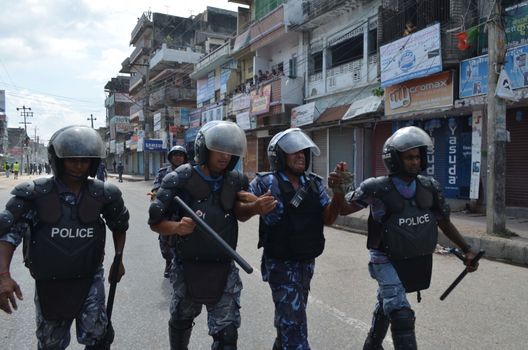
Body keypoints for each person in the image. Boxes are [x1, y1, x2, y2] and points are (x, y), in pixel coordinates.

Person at [339, 126, 478, 349]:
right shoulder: (375, 188)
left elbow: (443, 222)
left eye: (418, 157)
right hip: (383, 258)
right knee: (401, 313)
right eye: (409, 158)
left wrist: (466, 249)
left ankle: (372, 344)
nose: (415, 162)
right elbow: (344, 209)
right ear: (394, 159)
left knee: (388, 302)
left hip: (414, 257)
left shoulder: (429, 187)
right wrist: (337, 190)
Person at [0, 125, 130, 349]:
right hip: (50, 283)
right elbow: (8, 234)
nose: (79, 166)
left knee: (98, 337)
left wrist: (118, 260)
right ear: (58, 160)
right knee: (51, 343)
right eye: (72, 160)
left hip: (90, 278)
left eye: (84, 160)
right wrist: (3, 275)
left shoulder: (103, 194)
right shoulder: (34, 195)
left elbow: (119, 224)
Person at [238, 128, 348, 350]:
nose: (301, 156)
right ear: (278, 156)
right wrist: (255, 205)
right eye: (294, 152)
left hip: (306, 262)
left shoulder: (314, 184)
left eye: (304, 152)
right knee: (294, 323)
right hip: (280, 263)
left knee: (291, 318)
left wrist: (338, 192)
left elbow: (328, 218)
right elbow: (240, 205)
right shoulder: (265, 182)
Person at [148, 120, 253, 350]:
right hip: (188, 266)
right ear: (204, 148)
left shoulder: (236, 180)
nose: (225, 156)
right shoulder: (179, 179)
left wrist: (256, 206)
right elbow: (155, 222)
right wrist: (176, 228)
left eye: (229, 151)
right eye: (219, 149)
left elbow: (241, 213)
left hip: (224, 267)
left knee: (227, 336)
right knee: (181, 321)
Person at [148, 145, 189, 279]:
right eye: (175, 155)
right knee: (165, 241)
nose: (178, 157)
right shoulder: (163, 172)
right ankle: (168, 263)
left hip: (185, 211)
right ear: (170, 157)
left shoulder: (190, 172)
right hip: (167, 211)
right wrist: (155, 195)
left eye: (181, 155)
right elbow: (155, 189)